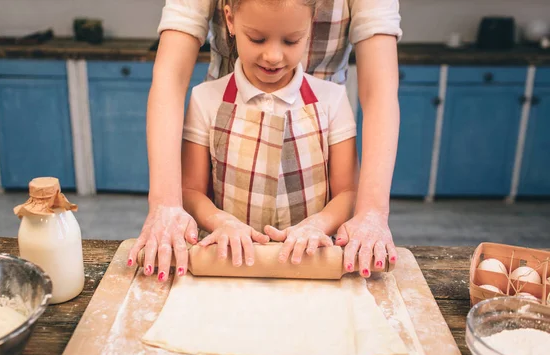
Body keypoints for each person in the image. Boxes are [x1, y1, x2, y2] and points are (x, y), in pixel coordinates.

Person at [129, 0, 402, 280]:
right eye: (257, 38)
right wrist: (167, 204)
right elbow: (169, 79)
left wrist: (371, 212)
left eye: (292, 39)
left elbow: (380, 92)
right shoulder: (207, 100)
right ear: (230, 20)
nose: (273, 56)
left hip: (311, 250)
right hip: (225, 252)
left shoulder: (331, 100)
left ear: (311, 26)